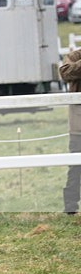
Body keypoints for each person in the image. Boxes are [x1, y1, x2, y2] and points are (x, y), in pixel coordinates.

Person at [60, 48, 81, 214]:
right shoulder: (75, 56)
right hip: (78, 125)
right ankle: (70, 208)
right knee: (75, 167)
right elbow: (65, 73)